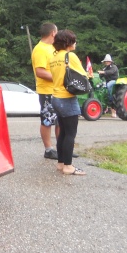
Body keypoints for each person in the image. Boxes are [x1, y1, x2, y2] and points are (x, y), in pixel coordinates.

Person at [48, 29, 89, 175]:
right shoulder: (70, 56)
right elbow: (83, 75)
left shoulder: (53, 57)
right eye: (73, 40)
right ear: (67, 42)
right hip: (67, 98)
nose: (75, 43)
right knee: (70, 134)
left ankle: (60, 163)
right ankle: (68, 166)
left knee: (63, 133)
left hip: (56, 98)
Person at [31, 22, 60, 160]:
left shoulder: (53, 48)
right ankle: (48, 150)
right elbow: (40, 72)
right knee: (47, 120)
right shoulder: (40, 49)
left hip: (58, 90)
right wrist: (59, 77)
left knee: (61, 121)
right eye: (57, 32)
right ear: (53, 33)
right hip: (47, 91)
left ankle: (62, 149)